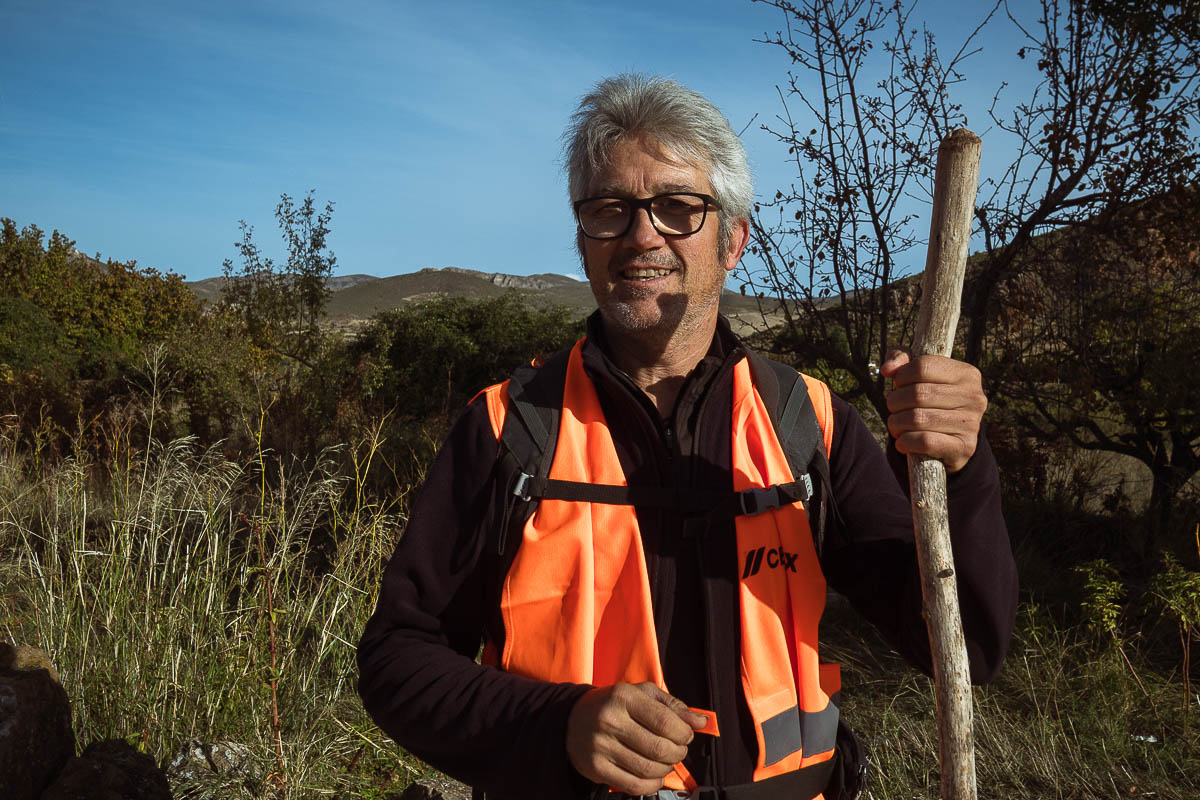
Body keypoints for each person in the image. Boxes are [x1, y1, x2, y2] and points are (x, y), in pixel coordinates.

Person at [358, 74, 1018, 800]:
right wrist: (557, 726)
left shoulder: (808, 423)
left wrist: (960, 471)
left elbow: (963, 646)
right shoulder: (507, 430)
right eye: (610, 210)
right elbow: (397, 658)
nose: (642, 235)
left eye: (678, 207)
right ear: (583, 240)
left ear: (733, 239)